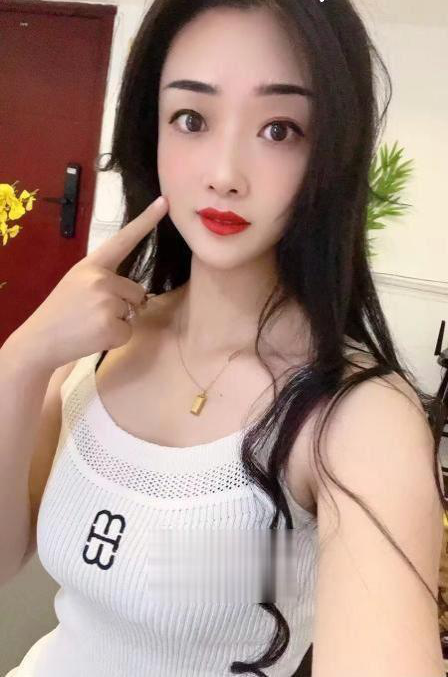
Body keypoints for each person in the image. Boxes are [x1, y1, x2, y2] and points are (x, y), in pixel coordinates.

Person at [1, 1, 446, 676]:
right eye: (192, 119)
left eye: (278, 129)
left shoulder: (358, 418)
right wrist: (22, 358)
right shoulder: (96, 343)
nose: (224, 173)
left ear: (332, 153)